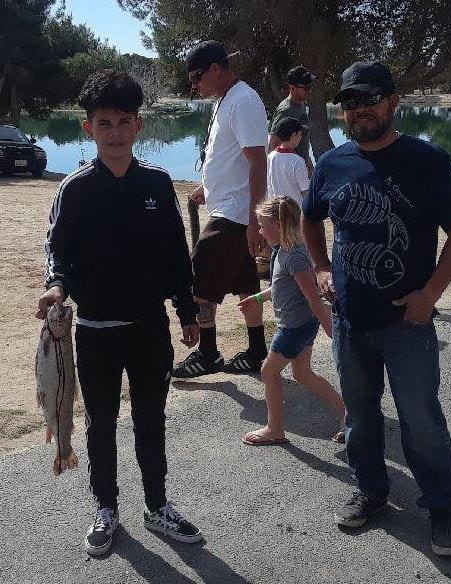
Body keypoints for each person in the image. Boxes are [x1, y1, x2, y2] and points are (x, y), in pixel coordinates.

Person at [301, 60, 451, 556]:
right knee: (359, 414)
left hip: (407, 322)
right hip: (351, 320)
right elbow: (311, 219)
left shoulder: (426, 160)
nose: (360, 110)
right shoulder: (333, 164)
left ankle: (443, 508)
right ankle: (371, 492)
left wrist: (431, 295)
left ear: (393, 101)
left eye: (370, 99)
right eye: (350, 102)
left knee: (420, 419)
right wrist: (322, 268)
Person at [37, 70, 203, 556]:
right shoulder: (75, 189)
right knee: (101, 423)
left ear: (138, 125)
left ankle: (157, 505)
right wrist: (55, 287)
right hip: (94, 332)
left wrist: (188, 310)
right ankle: (106, 508)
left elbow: (176, 253)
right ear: (88, 128)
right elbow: (59, 251)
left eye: (124, 122)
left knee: (151, 419)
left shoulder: (156, 182)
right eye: (104, 123)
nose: (114, 132)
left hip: (150, 327)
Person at [173, 40, 269, 378]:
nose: (195, 85)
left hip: (234, 215)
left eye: (197, 77)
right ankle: (258, 349)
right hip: (230, 208)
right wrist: (207, 188)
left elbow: (258, 163)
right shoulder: (227, 100)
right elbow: (230, 158)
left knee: (197, 281)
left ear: (216, 68)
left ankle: (208, 352)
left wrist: (256, 218)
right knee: (246, 285)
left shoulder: (243, 101)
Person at [239, 197, 345, 446]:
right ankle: (348, 412)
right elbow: (279, 287)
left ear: (278, 224)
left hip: (294, 327)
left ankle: (274, 429)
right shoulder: (282, 250)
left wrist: (331, 329)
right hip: (301, 323)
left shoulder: (295, 256)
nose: (260, 231)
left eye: (263, 226)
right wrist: (257, 298)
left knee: (268, 371)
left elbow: (313, 298)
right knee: (302, 373)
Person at [268, 66, 316, 176]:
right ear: (292, 88)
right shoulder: (286, 110)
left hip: (301, 169)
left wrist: (309, 166)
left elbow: (301, 141)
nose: (309, 91)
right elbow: (273, 145)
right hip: (291, 175)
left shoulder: (300, 105)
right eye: (306, 88)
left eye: (311, 86)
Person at [267, 117, 310, 207]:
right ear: (293, 135)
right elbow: (305, 190)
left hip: (276, 209)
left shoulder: (271, 157)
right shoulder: (297, 161)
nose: (301, 137)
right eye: (300, 134)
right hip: (295, 210)